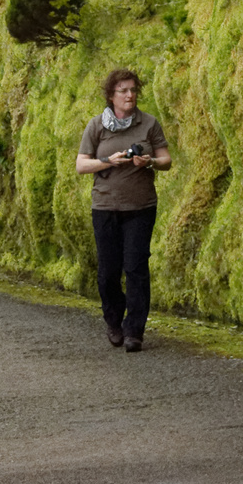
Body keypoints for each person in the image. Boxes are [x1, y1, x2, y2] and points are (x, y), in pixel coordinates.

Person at [75, 68, 171, 352]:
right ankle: (114, 322)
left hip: (141, 207)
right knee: (108, 272)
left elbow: (166, 160)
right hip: (104, 207)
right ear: (111, 96)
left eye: (133, 90)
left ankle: (134, 331)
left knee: (136, 267)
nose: (130, 95)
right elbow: (82, 165)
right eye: (123, 91)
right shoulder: (96, 126)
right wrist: (109, 161)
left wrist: (150, 161)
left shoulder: (149, 123)